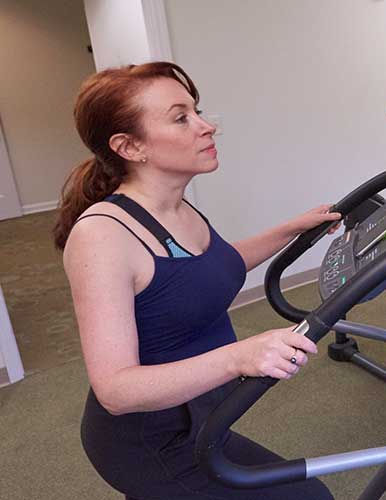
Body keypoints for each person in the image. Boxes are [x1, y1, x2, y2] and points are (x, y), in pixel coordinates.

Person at [54, 62, 339, 499]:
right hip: (148, 440)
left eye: (197, 112)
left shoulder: (177, 210)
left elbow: (208, 271)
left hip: (203, 415)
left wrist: (292, 229)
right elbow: (115, 389)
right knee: (312, 497)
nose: (207, 128)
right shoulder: (102, 236)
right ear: (129, 146)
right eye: (181, 117)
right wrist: (239, 357)